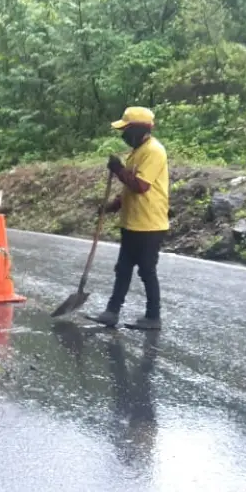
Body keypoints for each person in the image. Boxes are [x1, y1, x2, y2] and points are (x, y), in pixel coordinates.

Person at [90, 106, 169, 330]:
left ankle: (153, 317)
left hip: (149, 224)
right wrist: (112, 206)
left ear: (137, 130)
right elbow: (128, 189)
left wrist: (117, 170)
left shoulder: (154, 151)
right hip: (132, 222)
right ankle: (111, 312)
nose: (123, 135)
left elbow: (141, 186)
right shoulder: (137, 152)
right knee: (123, 268)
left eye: (126, 130)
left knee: (146, 270)